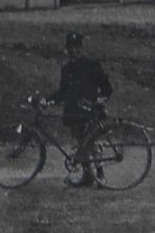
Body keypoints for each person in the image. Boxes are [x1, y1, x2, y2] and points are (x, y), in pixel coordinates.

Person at [45, 31, 113, 187]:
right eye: (70, 48)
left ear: (81, 48)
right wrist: (47, 100)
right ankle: (88, 175)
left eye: (76, 47)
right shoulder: (66, 69)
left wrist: (99, 102)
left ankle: (101, 175)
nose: (73, 51)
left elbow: (107, 88)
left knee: (91, 143)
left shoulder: (91, 65)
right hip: (74, 112)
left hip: (90, 111)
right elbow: (62, 93)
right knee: (81, 143)